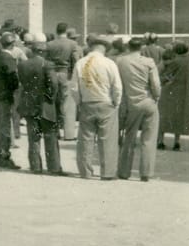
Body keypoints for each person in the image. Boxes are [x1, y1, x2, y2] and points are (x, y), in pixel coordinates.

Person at [74, 34, 123, 180]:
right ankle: (107, 172)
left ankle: (85, 172)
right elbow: (117, 87)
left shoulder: (80, 63)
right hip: (106, 102)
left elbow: (74, 88)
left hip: (87, 102)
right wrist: (116, 102)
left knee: (85, 139)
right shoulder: (109, 63)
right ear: (105, 48)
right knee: (107, 139)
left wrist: (79, 102)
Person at [17, 33, 63, 175]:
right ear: (42, 51)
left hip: (29, 103)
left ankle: (35, 166)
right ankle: (54, 167)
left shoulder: (23, 64)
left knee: (34, 137)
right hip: (45, 105)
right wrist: (51, 98)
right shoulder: (47, 64)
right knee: (50, 136)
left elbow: (23, 83)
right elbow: (54, 84)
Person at [116, 37, 161, 182]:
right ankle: (146, 173)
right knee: (149, 138)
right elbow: (155, 84)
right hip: (148, 101)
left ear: (128, 47)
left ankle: (124, 171)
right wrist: (156, 97)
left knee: (129, 137)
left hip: (131, 103)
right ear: (141, 47)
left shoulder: (120, 61)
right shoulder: (149, 62)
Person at [0, 32, 22, 169]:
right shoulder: (9, 59)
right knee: (5, 128)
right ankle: (4, 156)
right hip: (4, 97)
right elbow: (13, 80)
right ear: (13, 44)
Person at [44, 21, 80, 141]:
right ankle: (68, 134)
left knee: (53, 102)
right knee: (67, 104)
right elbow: (75, 60)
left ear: (56, 31)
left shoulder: (49, 44)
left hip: (52, 73)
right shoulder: (72, 44)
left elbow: (46, 61)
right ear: (66, 31)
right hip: (66, 73)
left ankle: (55, 132)